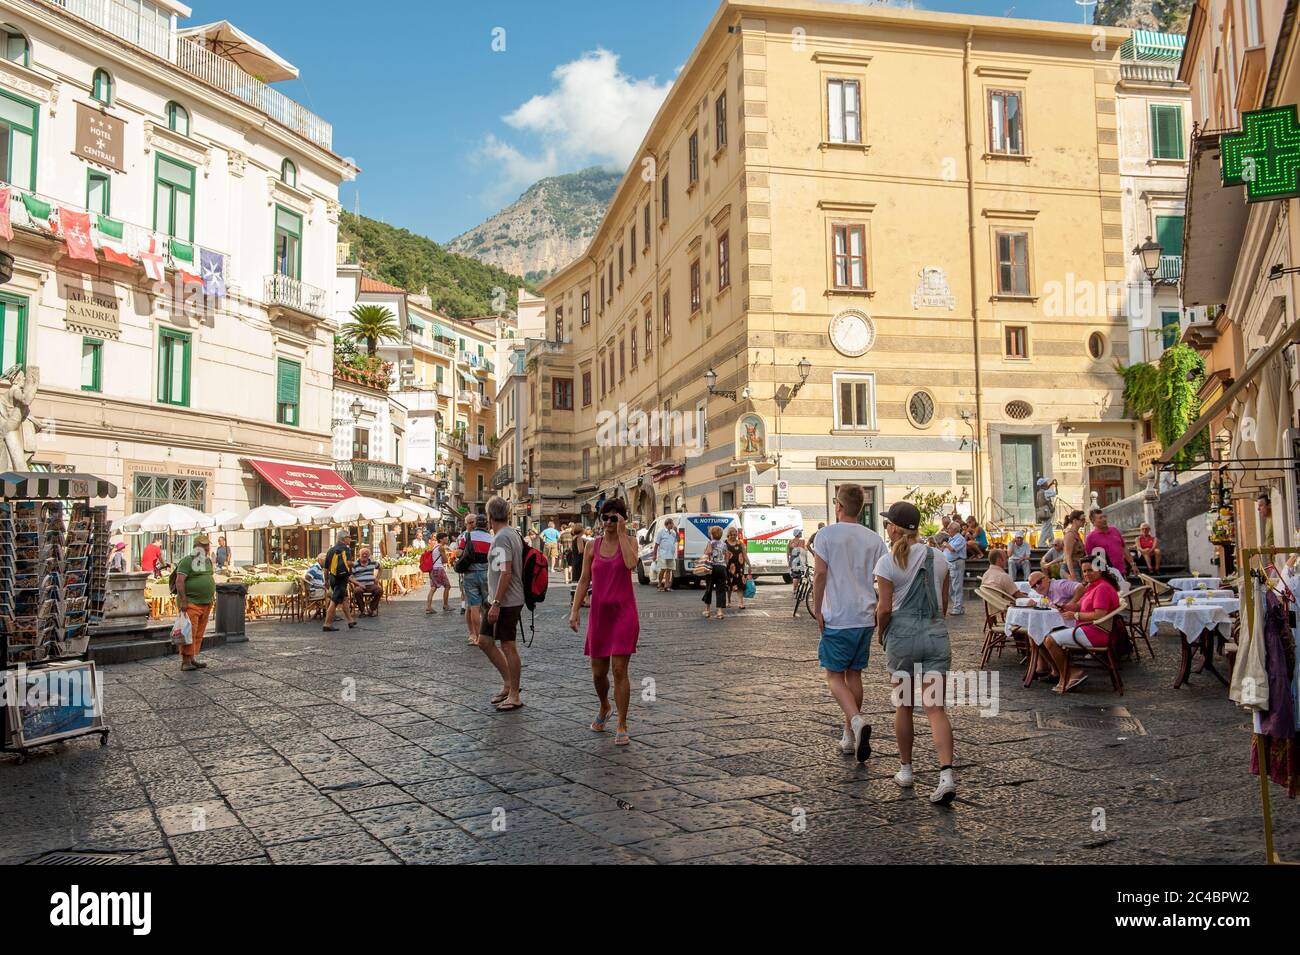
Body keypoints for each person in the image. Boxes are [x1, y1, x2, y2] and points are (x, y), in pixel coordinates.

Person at [874, 501, 957, 805]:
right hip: (935, 635)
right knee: (935, 708)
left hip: (903, 637)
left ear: (895, 527)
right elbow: (944, 606)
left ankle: (906, 770)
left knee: (904, 706)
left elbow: (884, 608)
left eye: (888, 524)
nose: (887, 528)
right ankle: (946, 774)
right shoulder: (940, 559)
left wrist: (882, 632)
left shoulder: (887, 562)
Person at [813, 484, 888, 763]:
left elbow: (820, 574)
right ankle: (848, 736)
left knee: (834, 676)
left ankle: (856, 721)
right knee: (854, 675)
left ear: (839, 506)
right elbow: (882, 579)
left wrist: (818, 608)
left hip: (839, 615)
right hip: (865, 615)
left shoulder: (826, 535)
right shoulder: (874, 539)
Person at [570, 497, 640, 745]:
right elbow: (583, 580)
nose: (609, 522)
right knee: (598, 673)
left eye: (614, 518)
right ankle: (604, 706)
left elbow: (632, 564)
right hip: (600, 615)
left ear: (622, 519)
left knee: (620, 670)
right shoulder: (591, 546)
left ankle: (622, 722)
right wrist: (575, 610)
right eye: (605, 517)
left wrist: (622, 533)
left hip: (624, 614)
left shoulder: (631, 541)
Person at [1039, 562, 1121, 694]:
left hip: (1096, 633)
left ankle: (1070, 674)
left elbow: (1099, 614)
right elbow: (1079, 605)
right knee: (1046, 636)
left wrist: (1075, 615)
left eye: (1090, 570)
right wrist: (1065, 606)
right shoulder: (1093, 586)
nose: (1087, 574)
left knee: (1049, 640)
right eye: (1084, 571)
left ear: (1099, 571)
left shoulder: (1102, 588)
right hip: (1088, 628)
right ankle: (1068, 673)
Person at [479, 496, 526, 712]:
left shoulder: (501, 538)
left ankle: (515, 694)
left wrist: (496, 603)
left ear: (490, 516)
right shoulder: (511, 533)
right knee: (484, 641)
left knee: (508, 645)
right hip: (498, 599)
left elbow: (505, 572)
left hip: (506, 600)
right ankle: (508, 684)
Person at [173, 535, 216, 672]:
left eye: (207, 546)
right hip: (191, 603)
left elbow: (208, 577)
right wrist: (184, 600)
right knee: (189, 632)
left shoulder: (208, 562)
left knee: (198, 632)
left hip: (205, 603)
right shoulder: (187, 561)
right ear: (196, 547)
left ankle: (192, 658)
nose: (206, 549)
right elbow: (179, 581)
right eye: (203, 547)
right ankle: (185, 661)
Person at [458, 514, 494, 645]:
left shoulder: (467, 536)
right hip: (486, 574)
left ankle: (477, 637)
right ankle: (487, 635)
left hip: (470, 574)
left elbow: (459, 553)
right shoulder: (492, 539)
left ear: (476, 524)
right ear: (487, 525)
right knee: (487, 606)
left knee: (474, 606)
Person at [1085, 507, 1137, 579]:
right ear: (1093, 522)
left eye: (1104, 517)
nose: (1104, 519)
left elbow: (1124, 547)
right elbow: (1089, 559)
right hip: (1105, 575)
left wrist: (1133, 564)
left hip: (1121, 572)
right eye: (1100, 518)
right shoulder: (1090, 538)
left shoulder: (1115, 530)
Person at [322, 531, 357, 633]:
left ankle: (350, 621)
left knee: (345, 599)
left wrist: (327, 580)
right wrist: (356, 564)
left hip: (333, 578)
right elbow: (349, 563)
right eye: (349, 537)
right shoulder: (345, 549)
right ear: (343, 538)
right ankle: (327, 624)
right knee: (334, 601)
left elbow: (326, 568)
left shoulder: (330, 550)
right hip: (341, 578)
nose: (350, 539)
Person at [701, 525, 730, 620]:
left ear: (712, 534)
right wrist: (725, 564)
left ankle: (707, 610)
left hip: (711, 567)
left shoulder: (710, 542)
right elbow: (727, 556)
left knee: (709, 588)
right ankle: (719, 612)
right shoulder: (724, 544)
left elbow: (708, 552)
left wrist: (706, 551)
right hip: (721, 568)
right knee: (721, 589)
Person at [939, 520, 967, 616]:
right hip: (950, 564)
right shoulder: (952, 538)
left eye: (949, 528)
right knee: (951, 587)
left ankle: (958, 607)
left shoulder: (960, 538)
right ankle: (958, 606)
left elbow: (953, 549)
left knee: (956, 586)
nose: (948, 530)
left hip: (956, 563)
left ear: (954, 529)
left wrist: (945, 544)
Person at [724, 526, 751, 610]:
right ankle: (728, 601)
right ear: (728, 535)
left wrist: (749, 564)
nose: (733, 536)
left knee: (740, 585)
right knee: (729, 585)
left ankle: (741, 603)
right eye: (731, 535)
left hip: (739, 568)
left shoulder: (740, 543)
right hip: (728, 567)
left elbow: (745, 555)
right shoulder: (724, 543)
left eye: (734, 535)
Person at [424, 532, 452, 613]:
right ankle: (445, 605)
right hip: (439, 569)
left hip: (433, 569)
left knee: (433, 588)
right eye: (445, 538)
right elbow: (446, 560)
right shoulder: (441, 547)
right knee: (447, 586)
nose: (447, 539)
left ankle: (429, 607)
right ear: (441, 539)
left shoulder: (435, 546)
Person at [1063, 510, 1087, 582]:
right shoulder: (1070, 535)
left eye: (1084, 519)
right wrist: (1072, 575)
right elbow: (1068, 556)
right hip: (1072, 568)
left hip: (1078, 567)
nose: (1084, 521)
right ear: (1075, 521)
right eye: (1082, 519)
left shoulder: (1077, 534)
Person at [1034, 477, 1058, 548]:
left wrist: (1051, 484)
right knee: (1046, 527)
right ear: (1043, 484)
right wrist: (1055, 486)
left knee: (1049, 526)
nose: (1047, 483)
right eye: (1046, 482)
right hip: (1046, 512)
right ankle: (1041, 543)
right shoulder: (1046, 492)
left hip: (1041, 511)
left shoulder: (1039, 492)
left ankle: (1052, 542)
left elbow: (1046, 490)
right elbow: (1055, 493)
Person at [654, 518, 677, 591]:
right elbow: (656, 544)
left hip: (671, 554)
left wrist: (676, 531)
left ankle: (666, 586)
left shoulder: (673, 533)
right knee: (663, 569)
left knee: (669, 570)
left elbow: (679, 540)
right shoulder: (661, 532)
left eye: (672, 523)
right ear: (667, 524)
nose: (672, 525)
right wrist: (654, 555)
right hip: (663, 554)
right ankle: (659, 583)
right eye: (671, 523)